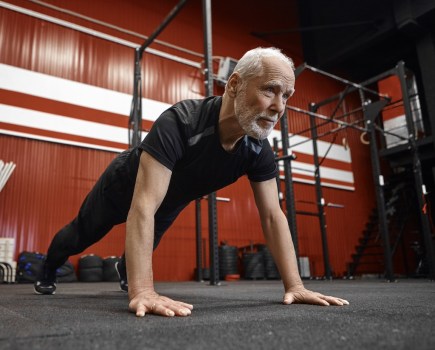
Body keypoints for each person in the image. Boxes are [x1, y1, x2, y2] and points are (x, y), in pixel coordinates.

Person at [34, 47, 349, 317]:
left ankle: (126, 270)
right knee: (80, 234)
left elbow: (272, 215)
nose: (279, 106)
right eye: (270, 90)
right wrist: (143, 292)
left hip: (170, 200)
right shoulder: (182, 122)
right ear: (235, 85)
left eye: (286, 96)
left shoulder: (257, 150)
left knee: (137, 256)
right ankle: (49, 267)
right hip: (125, 186)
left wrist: (295, 285)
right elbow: (143, 203)